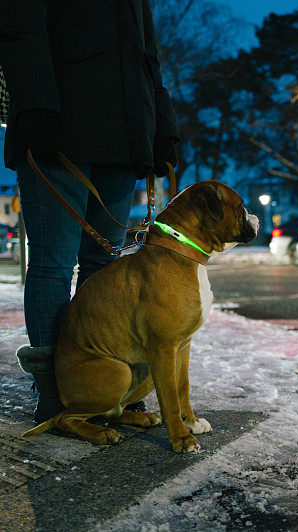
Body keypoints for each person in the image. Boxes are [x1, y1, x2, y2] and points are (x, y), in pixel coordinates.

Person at [0, 1, 179, 422]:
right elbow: (20, 28)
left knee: (103, 262)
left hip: (123, 136)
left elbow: (147, 57)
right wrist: (35, 105)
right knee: (53, 263)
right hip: (58, 124)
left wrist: (162, 127)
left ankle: (106, 381)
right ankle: (53, 387)